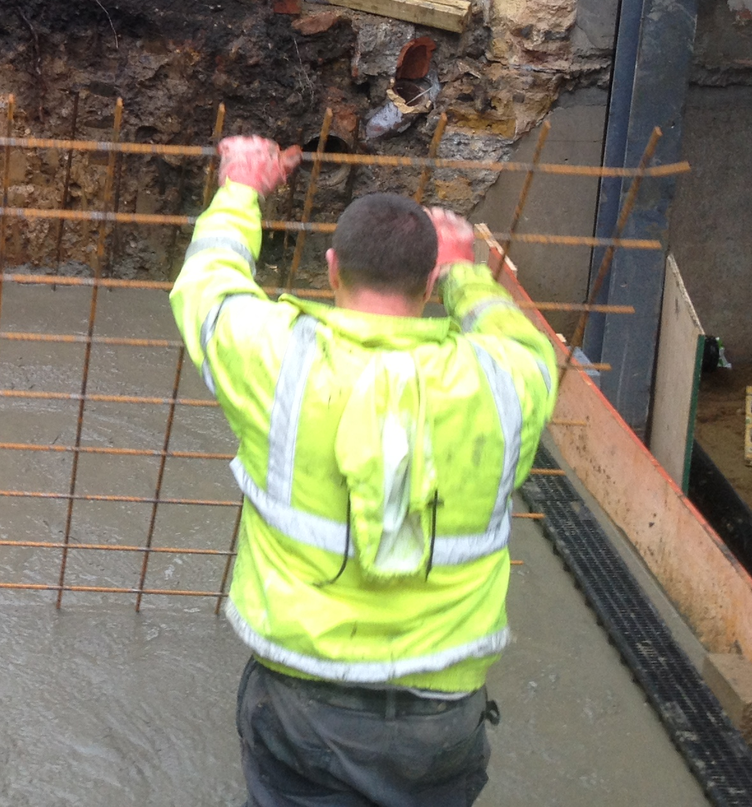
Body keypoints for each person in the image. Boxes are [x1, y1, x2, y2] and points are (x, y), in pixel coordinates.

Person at [171, 136, 557, 806]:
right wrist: (467, 271)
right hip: (443, 715)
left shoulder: (280, 363)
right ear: (431, 278)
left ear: (330, 269)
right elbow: (517, 336)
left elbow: (207, 287)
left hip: (305, 703)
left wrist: (240, 188)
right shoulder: (510, 380)